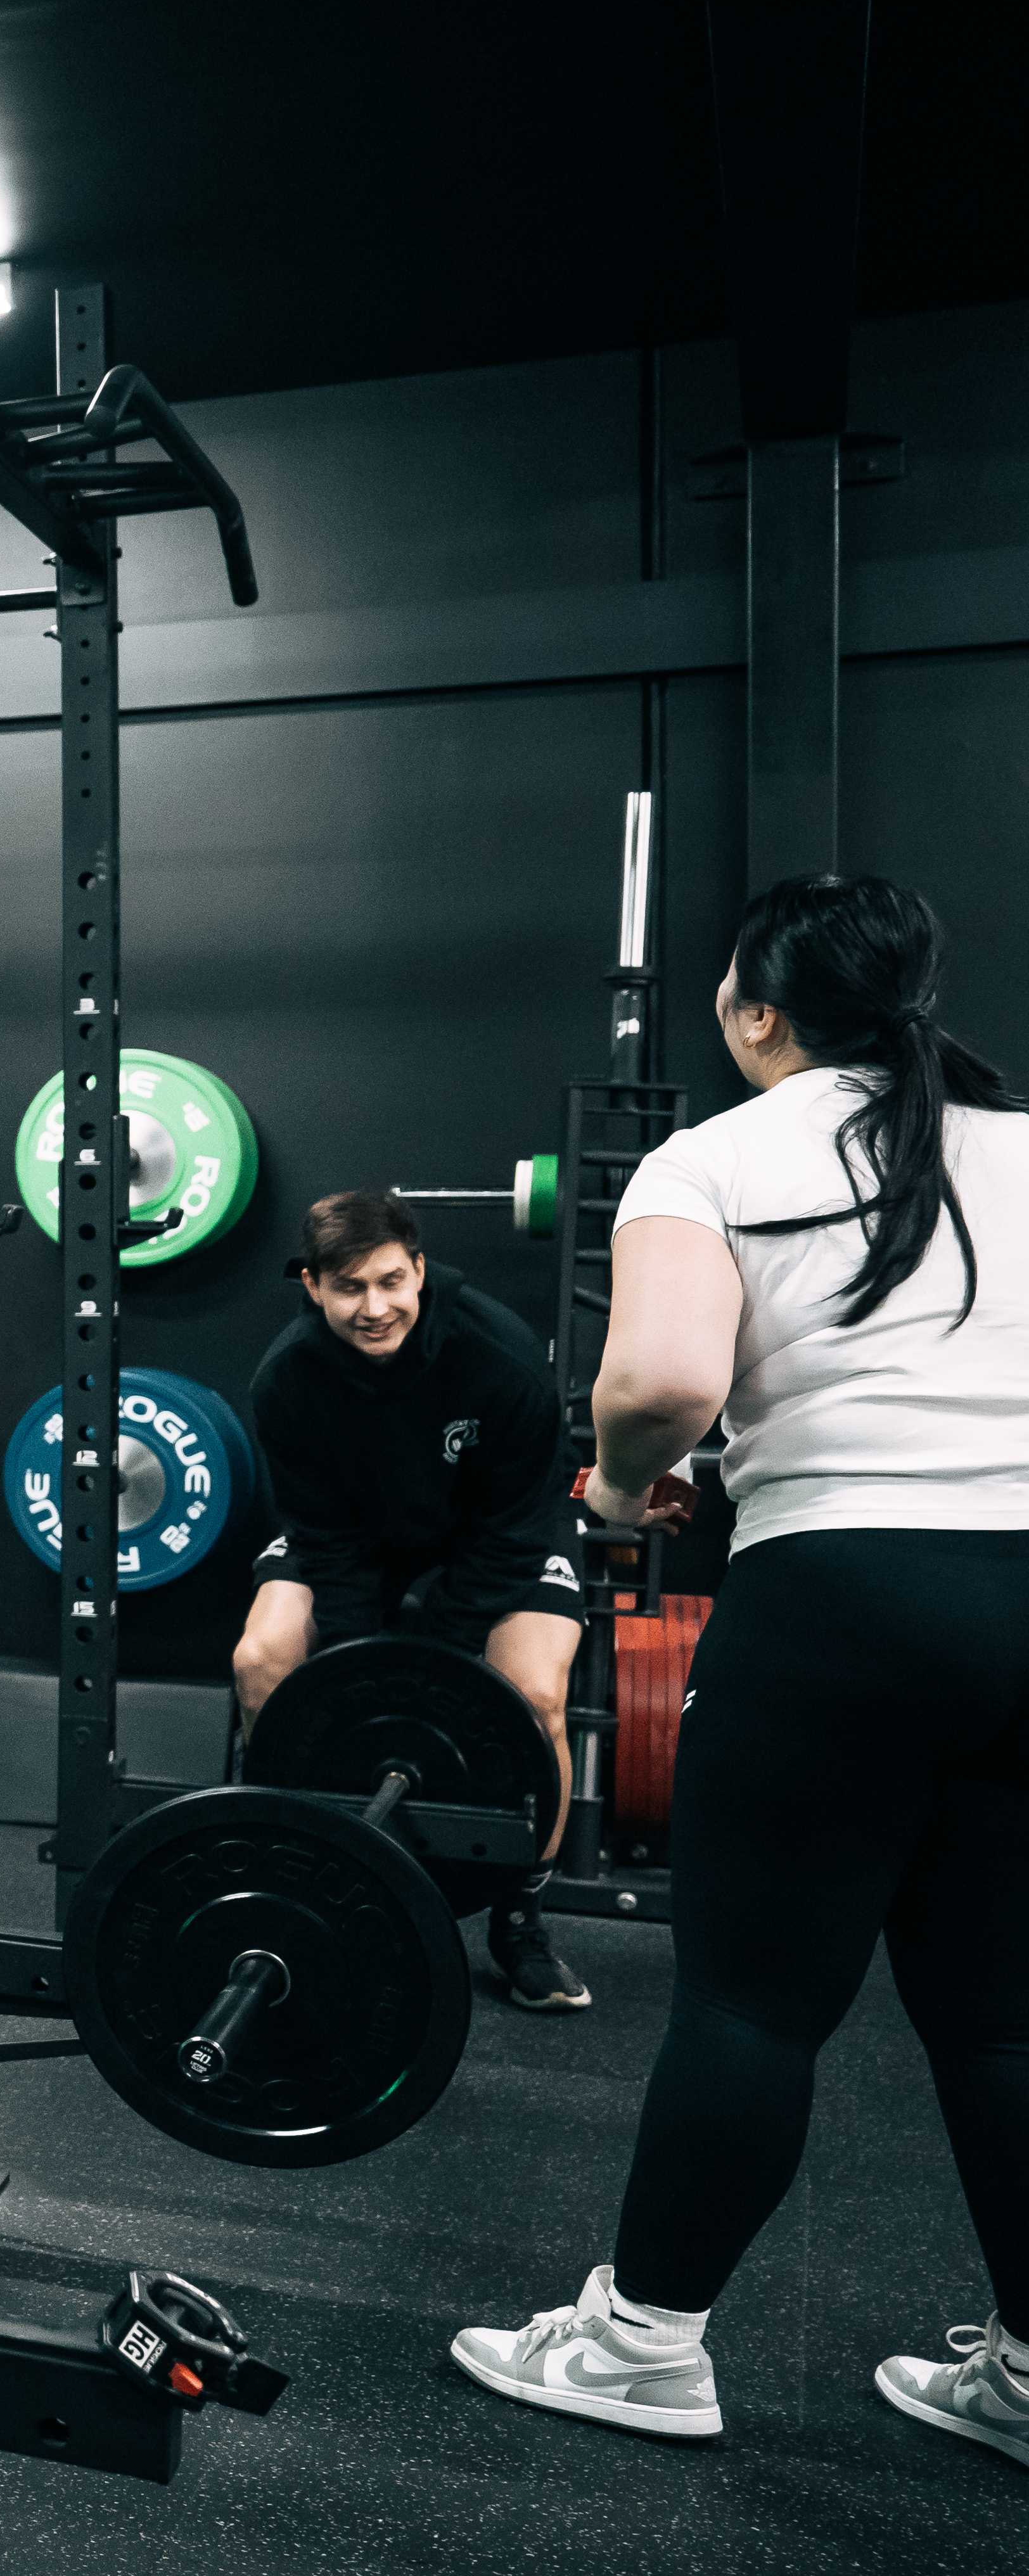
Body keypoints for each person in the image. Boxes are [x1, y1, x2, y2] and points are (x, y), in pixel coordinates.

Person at [449, 874, 1029, 2462]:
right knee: (1003, 2019)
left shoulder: (711, 1156)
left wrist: (630, 1489)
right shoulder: (1028, 1146)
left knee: (758, 2005)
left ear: (757, 1012)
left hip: (844, 1598)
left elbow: (660, 1378)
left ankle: (641, 2346)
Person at [232, 1189, 596, 2010]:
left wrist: (443, 1642)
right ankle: (298, 1866)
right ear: (313, 1286)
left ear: (421, 1271)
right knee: (263, 1657)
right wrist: (364, 1662)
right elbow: (322, 1533)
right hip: (360, 1542)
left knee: (535, 1695)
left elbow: (520, 1518)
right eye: (349, 1288)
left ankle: (521, 1916)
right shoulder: (288, 1379)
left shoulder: (496, 1355)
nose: (375, 1308)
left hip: (496, 1540)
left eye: (391, 1282)